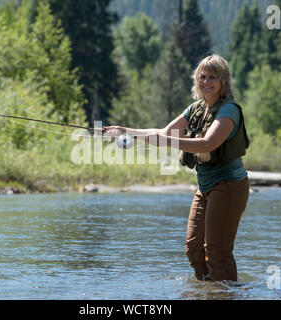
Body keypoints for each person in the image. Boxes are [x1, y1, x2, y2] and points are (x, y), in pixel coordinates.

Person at [104, 54, 250, 281]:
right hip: (206, 186)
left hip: (229, 185)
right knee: (194, 250)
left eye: (213, 77)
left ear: (224, 82)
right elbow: (163, 133)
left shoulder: (229, 110)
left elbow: (207, 143)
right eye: (203, 76)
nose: (206, 82)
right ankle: (207, 291)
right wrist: (126, 131)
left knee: (217, 252)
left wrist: (166, 141)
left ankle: (226, 294)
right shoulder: (195, 109)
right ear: (196, 80)